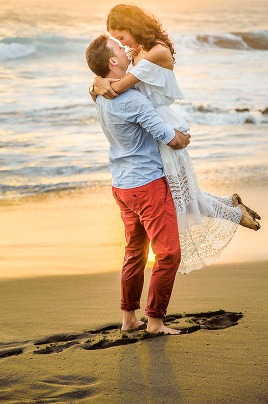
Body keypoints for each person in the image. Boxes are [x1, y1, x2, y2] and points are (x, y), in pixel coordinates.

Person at [91, 4, 260, 274]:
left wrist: (98, 83)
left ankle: (233, 212)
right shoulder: (140, 49)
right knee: (179, 192)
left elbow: (120, 87)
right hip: (147, 124)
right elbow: (119, 86)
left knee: (180, 195)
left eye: (121, 37)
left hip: (159, 124)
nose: (122, 45)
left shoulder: (157, 51)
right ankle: (231, 205)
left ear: (132, 27)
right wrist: (97, 82)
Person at [85, 34, 191, 334]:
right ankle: (155, 321)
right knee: (169, 253)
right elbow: (169, 138)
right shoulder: (132, 100)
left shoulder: (101, 97)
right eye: (120, 48)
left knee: (135, 251)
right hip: (147, 186)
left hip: (122, 187)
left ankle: (129, 319)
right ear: (113, 62)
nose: (126, 48)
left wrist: (97, 82)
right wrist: (184, 137)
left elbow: (96, 88)